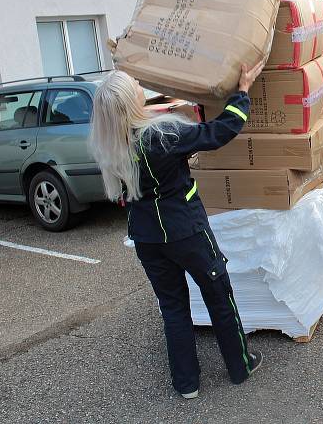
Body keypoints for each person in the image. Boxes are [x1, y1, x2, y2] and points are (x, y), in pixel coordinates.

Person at [89, 63, 265, 398]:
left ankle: (187, 384)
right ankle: (240, 366)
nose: (140, 86)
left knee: (173, 308)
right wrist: (241, 92)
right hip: (187, 231)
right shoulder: (164, 135)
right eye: (135, 85)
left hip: (147, 238)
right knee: (218, 294)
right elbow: (220, 131)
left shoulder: (110, 147)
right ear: (130, 101)